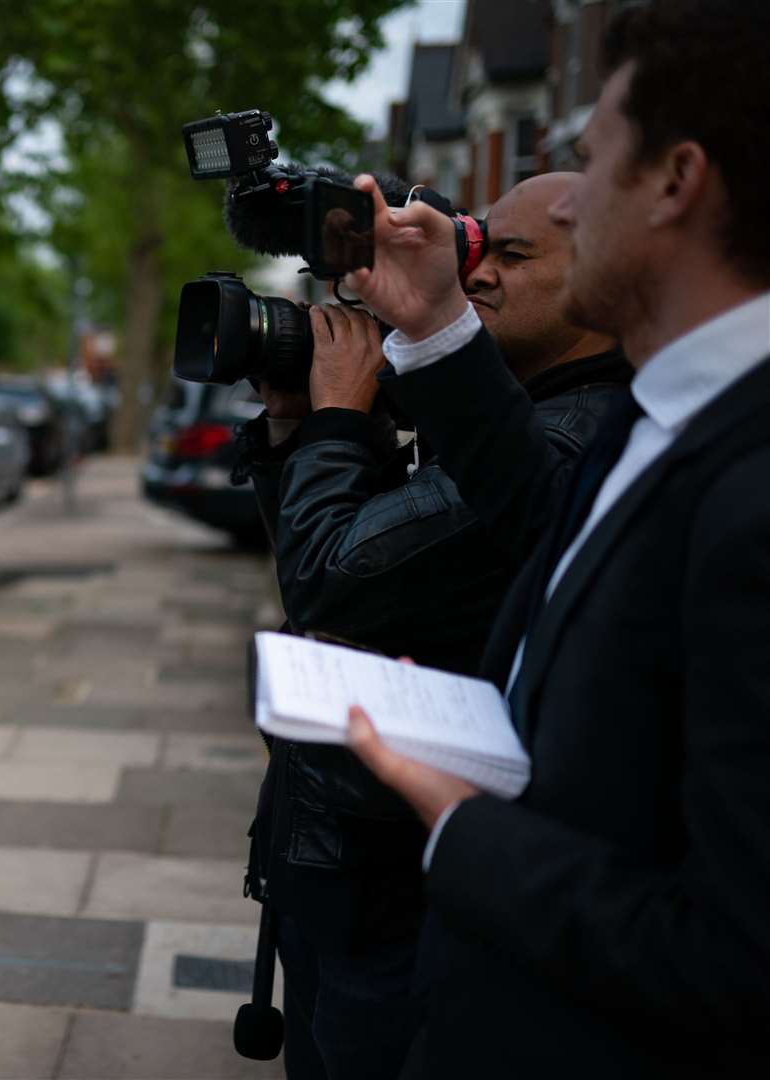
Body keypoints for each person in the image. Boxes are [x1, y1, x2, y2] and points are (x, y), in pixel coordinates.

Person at [339, 2, 770, 1075]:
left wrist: (463, 823)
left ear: (676, 180)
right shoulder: (664, 409)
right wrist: (433, 323)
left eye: (592, 161)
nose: (567, 198)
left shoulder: (756, 489)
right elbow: (543, 522)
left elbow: (737, 960)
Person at [235, 175, 629, 1080]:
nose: (476, 272)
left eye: (515, 255)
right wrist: (301, 422)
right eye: (478, 244)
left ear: (607, 283)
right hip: (339, 861)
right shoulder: (492, 416)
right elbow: (327, 581)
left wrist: (337, 417)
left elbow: (331, 576)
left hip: (396, 890)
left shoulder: (563, 436)